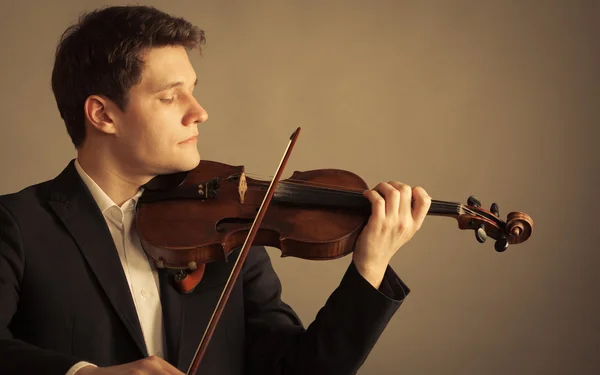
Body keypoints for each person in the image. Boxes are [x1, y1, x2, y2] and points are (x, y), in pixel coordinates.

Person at [0, 5, 431, 375]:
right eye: (171, 98)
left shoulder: (228, 229)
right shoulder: (17, 226)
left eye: (194, 92)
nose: (200, 113)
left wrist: (370, 267)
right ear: (103, 115)